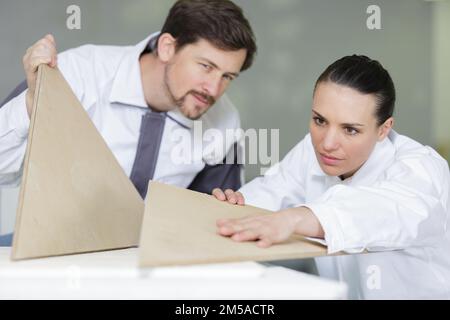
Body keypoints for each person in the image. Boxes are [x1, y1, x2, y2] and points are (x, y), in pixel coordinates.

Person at [0, 0, 257, 246]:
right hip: (43, 246)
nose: (213, 89)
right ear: (167, 47)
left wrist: (223, 209)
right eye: (205, 66)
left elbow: (213, 218)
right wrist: (32, 105)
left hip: (142, 258)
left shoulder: (224, 119)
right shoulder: (77, 73)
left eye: (227, 76)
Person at [212, 55, 450, 299]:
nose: (327, 143)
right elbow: (271, 193)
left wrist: (296, 218)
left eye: (350, 130)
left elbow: (389, 212)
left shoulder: (422, 166)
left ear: (384, 129)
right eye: (320, 120)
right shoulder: (310, 151)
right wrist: (234, 207)